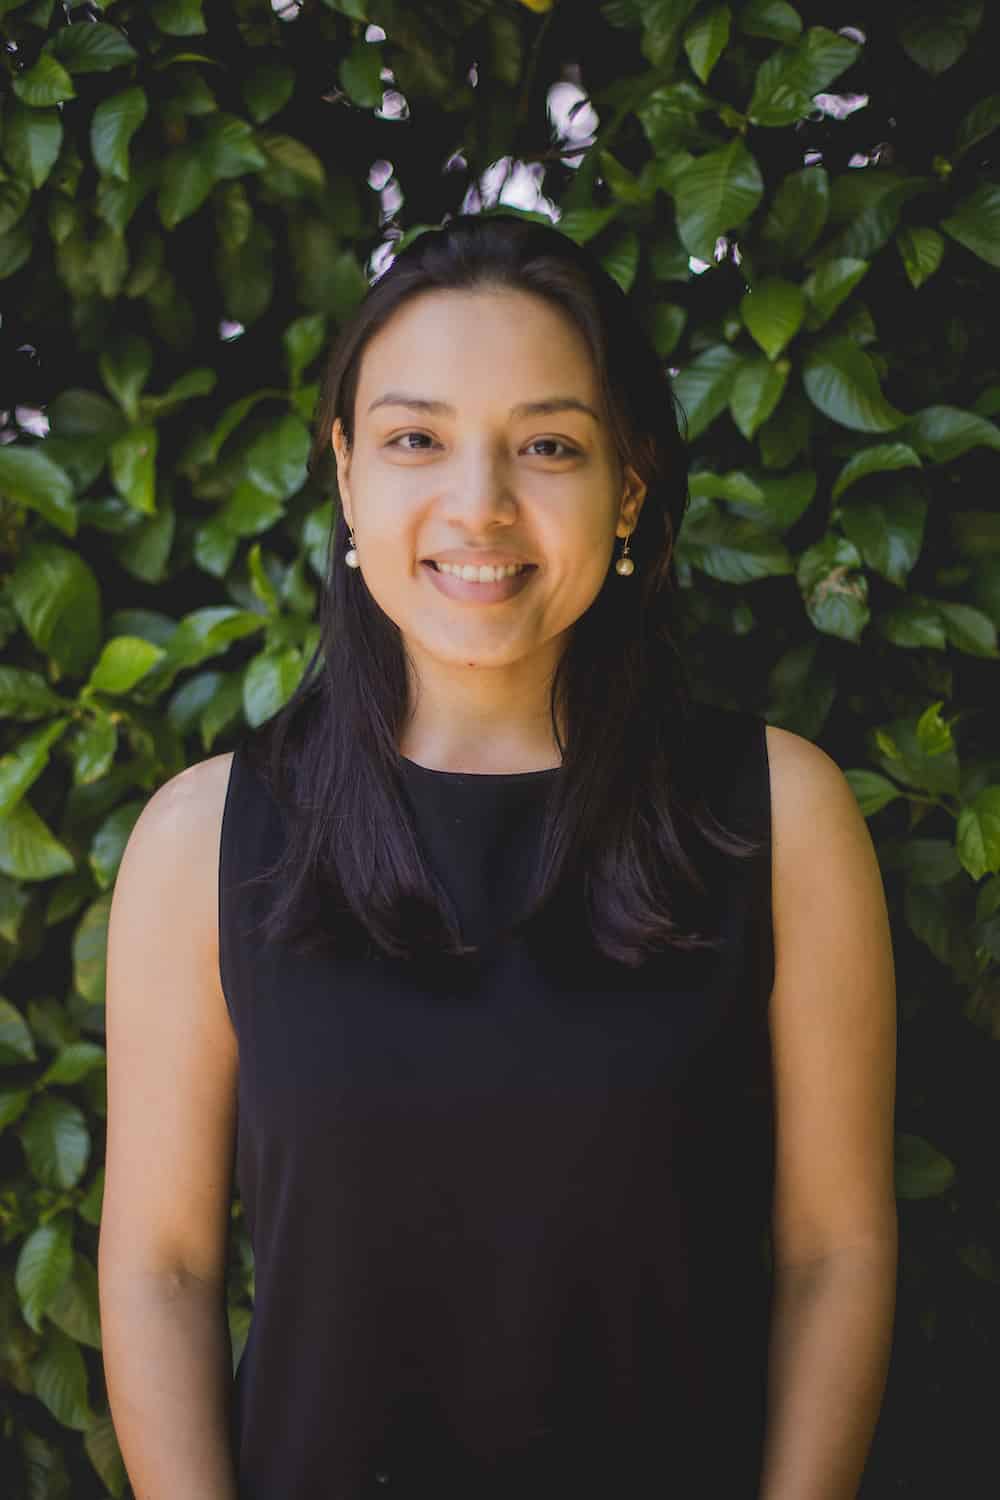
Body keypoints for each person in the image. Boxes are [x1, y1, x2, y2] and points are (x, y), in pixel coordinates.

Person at [99, 212, 898, 1500]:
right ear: (348, 476)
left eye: (548, 446)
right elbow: (163, 1269)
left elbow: (833, 1248)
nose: (480, 504)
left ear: (628, 483)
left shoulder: (778, 813)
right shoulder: (205, 839)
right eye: (417, 439)